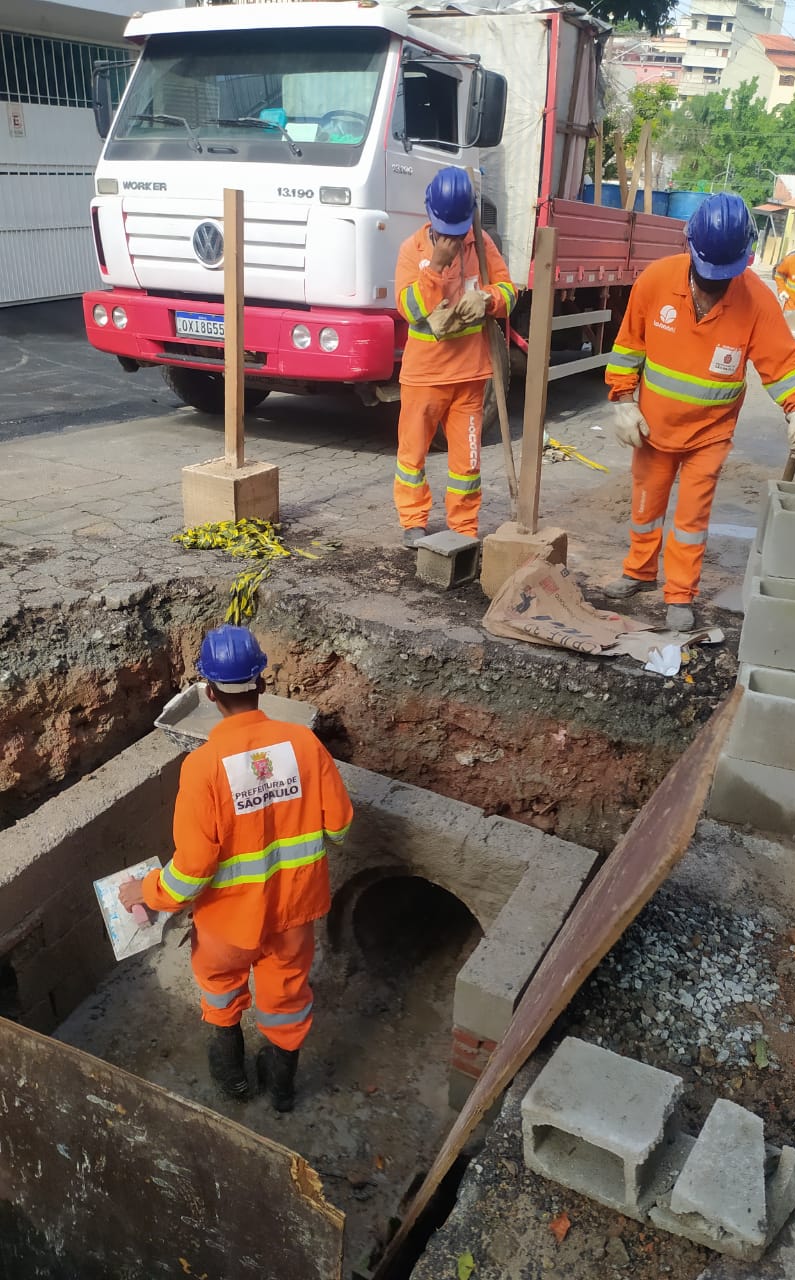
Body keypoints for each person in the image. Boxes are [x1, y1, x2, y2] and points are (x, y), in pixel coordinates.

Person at [119, 624, 353, 1113]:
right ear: (262, 684)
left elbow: (191, 872)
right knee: (286, 997)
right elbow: (340, 828)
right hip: (292, 915)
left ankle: (232, 1075)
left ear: (208, 692)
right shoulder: (304, 745)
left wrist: (145, 891)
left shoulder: (202, 767)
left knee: (222, 993)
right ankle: (283, 1087)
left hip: (227, 923)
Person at [602, 192, 795, 630]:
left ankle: (680, 593)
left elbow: (784, 365)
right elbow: (628, 347)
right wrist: (622, 400)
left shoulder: (756, 300)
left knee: (691, 518)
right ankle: (639, 573)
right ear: (689, 246)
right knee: (646, 505)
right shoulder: (656, 282)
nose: (715, 282)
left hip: (709, 436)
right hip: (653, 429)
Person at [393, 166, 517, 548]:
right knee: (412, 455)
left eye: (459, 227)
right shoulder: (413, 250)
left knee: (467, 464)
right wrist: (435, 269)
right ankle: (413, 521)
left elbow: (509, 292)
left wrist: (490, 299)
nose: (452, 235)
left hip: (469, 376)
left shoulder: (480, 245)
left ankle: (463, 527)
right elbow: (409, 308)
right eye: (447, 228)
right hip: (424, 377)